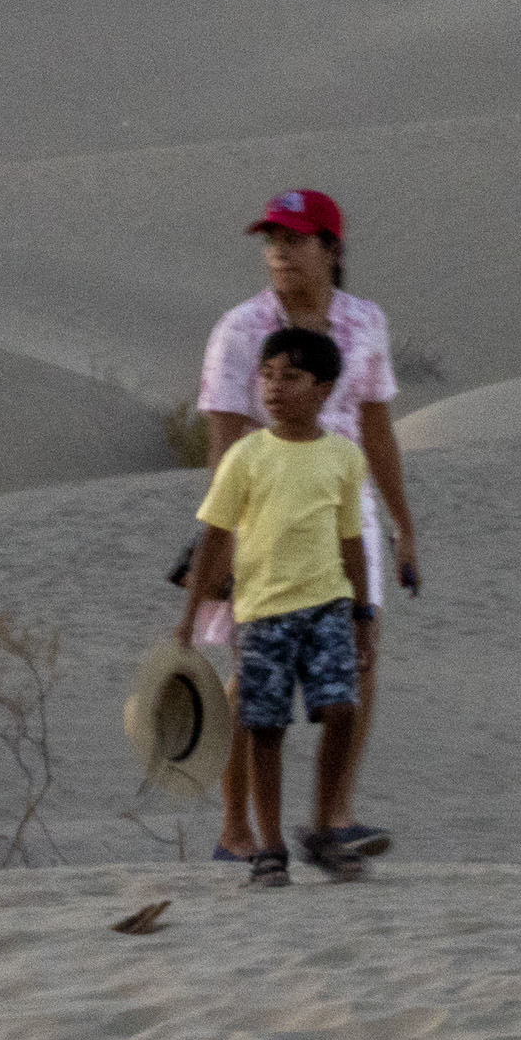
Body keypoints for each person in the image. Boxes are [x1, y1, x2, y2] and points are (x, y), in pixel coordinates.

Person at [196, 187, 422, 871]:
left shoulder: (365, 322)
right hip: (267, 514)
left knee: (360, 657)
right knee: (253, 671)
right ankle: (237, 827)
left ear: (331, 248)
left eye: (294, 239)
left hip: (347, 511)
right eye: (272, 240)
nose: (280, 253)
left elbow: (379, 425)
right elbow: (225, 436)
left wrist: (404, 522)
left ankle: (332, 817)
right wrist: (225, 538)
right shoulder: (240, 329)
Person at [173, 328, 372, 889]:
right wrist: (191, 615)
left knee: (340, 711)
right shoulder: (246, 455)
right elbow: (214, 537)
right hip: (261, 614)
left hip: (328, 607)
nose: (275, 389)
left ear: (324, 388)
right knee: (264, 728)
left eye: (291, 377)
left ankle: (322, 828)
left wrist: (364, 615)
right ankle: (271, 846)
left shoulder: (342, 458)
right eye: (267, 376)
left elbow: (352, 540)